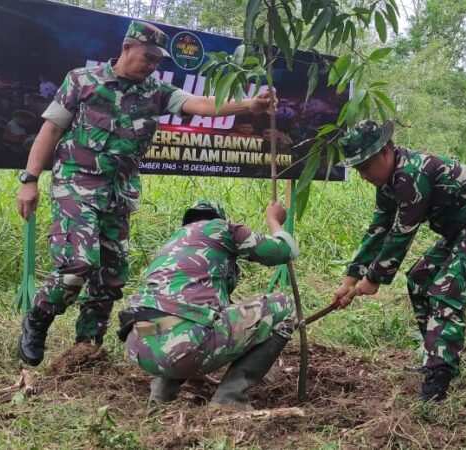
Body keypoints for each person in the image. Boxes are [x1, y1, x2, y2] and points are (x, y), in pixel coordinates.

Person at [16, 20, 274, 367]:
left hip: (118, 195)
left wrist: (247, 107)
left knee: (110, 278)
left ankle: (86, 349)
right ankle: (38, 318)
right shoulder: (82, 81)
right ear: (126, 48)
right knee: (78, 263)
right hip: (76, 187)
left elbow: (199, 103)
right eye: (148, 57)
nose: (152, 65)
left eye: (157, 60)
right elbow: (50, 130)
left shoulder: (155, 92)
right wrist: (29, 179)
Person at [333, 120, 466, 402]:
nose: (363, 174)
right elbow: (378, 228)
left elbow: (400, 234)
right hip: (462, 229)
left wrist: (372, 279)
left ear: (385, 151)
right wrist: (349, 280)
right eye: (358, 169)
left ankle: (439, 377)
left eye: (365, 166)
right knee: (419, 279)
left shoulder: (411, 174)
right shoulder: (387, 182)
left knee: (446, 290)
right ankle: (436, 355)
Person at [119, 200, 298, 407]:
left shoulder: (172, 243)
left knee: (178, 315)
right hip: (183, 347)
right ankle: (230, 399)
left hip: (139, 347)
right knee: (283, 305)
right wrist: (274, 220)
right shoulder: (221, 229)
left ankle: (162, 392)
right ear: (218, 218)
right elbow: (285, 251)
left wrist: (194, 370)